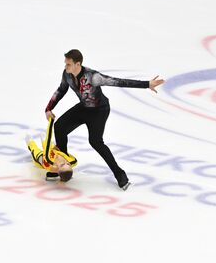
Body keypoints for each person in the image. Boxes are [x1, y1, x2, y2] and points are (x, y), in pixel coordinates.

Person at [45, 49, 164, 190]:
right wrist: (48, 108)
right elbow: (61, 90)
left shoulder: (93, 77)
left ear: (78, 64)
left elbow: (118, 82)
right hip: (84, 107)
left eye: (68, 64)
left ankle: (120, 175)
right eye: (65, 64)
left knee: (95, 141)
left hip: (99, 111)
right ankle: (64, 166)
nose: (66, 67)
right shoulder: (67, 75)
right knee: (59, 127)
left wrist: (146, 84)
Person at [26, 116, 78, 182]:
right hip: (53, 153)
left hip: (40, 158)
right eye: (68, 164)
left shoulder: (49, 160)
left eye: (62, 165)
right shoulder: (73, 161)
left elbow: (49, 138)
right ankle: (45, 141)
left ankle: (31, 141)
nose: (65, 162)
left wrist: (51, 121)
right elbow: (70, 160)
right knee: (52, 145)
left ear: (57, 169)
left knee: (33, 147)